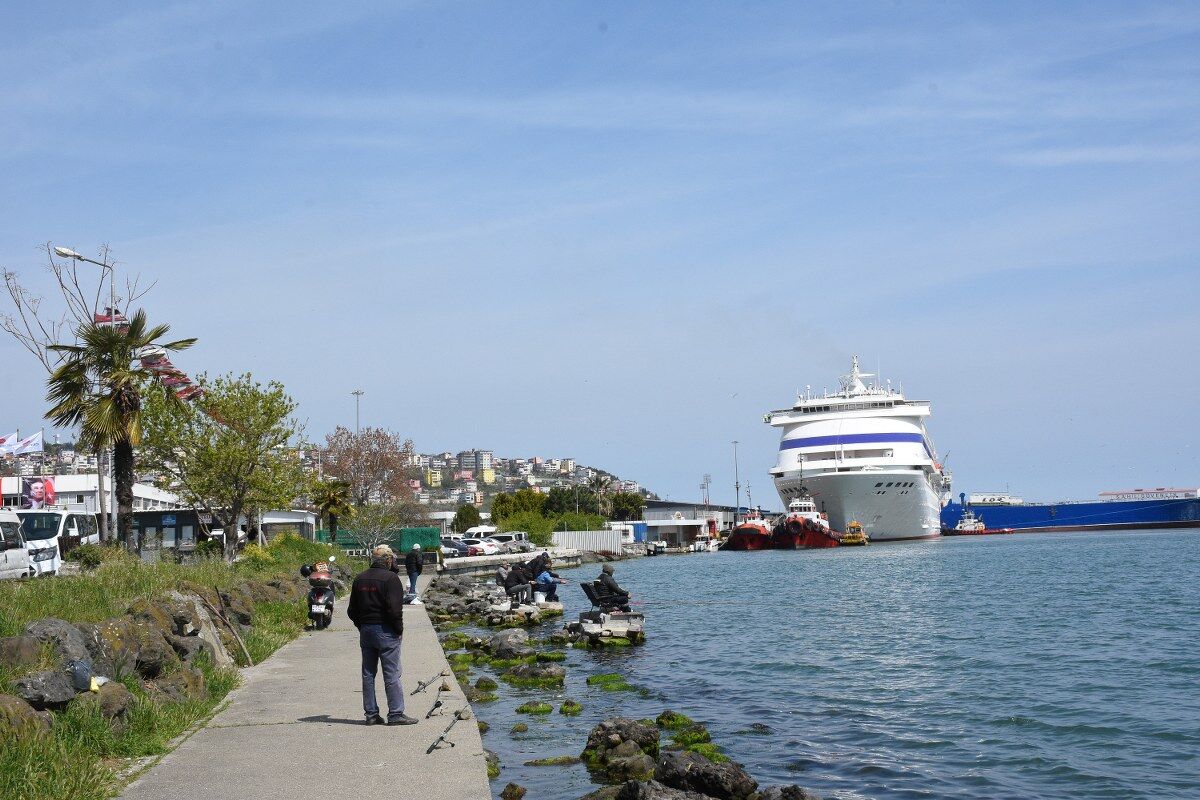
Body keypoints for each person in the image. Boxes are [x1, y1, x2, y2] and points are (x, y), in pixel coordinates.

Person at [346, 545, 416, 726]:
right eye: (392, 559)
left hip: (367, 631)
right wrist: (398, 630)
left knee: (368, 674)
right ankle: (395, 713)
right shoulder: (391, 579)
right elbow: (395, 611)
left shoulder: (360, 578)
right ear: (388, 560)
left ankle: (371, 714)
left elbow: (351, 610)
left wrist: (362, 626)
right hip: (386, 631)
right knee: (391, 673)